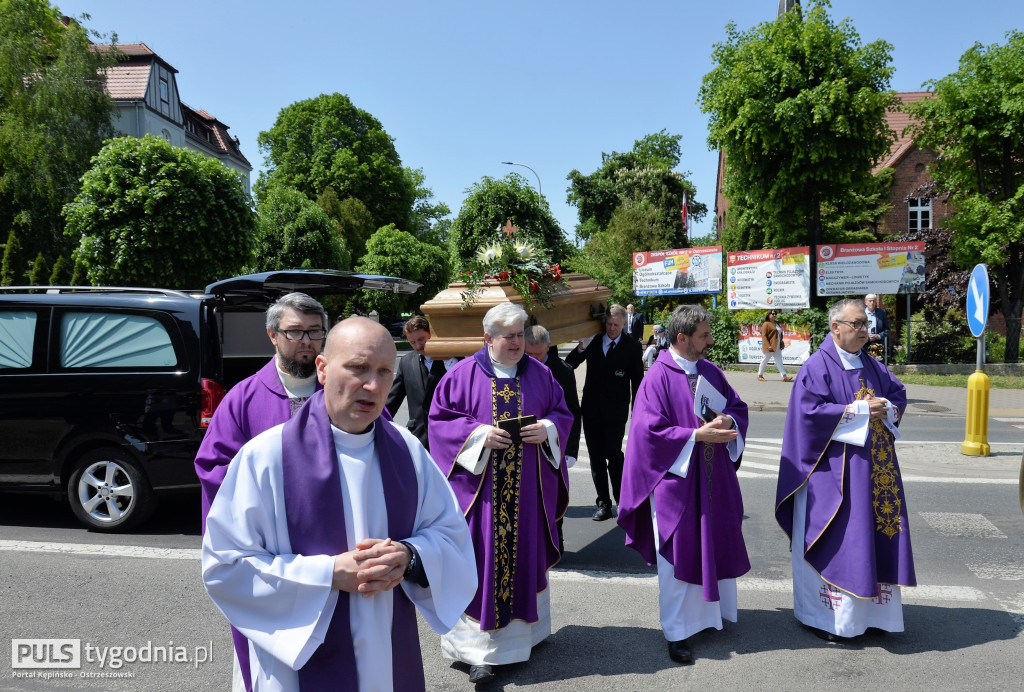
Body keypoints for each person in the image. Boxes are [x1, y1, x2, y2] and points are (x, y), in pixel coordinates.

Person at [202, 317, 477, 692]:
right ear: (323, 369)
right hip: (298, 666)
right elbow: (226, 566)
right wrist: (328, 574)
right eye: (358, 368)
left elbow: (451, 535)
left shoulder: (409, 452)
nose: (373, 385)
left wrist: (410, 558)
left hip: (387, 655)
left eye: (384, 371)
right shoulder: (265, 457)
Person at [428, 303, 573, 686]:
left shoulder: (542, 375)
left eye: (520, 333)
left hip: (526, 498)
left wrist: (548, 429)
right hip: (481, 500)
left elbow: (562, 413)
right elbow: (440, 424)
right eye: (507, 335)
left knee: (523, 558)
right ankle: (478, 653)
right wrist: (476, 435)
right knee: (481, 565)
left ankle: (526, 638)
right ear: (487, 338)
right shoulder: (460, 376)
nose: (516, 342)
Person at [194, 292, 328, 691]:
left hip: (332, 546)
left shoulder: (343, 391)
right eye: (295, 332)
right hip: (270, 553)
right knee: (272, 656)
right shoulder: (243, 398)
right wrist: (272, 498)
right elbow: (212, 467)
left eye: (315, 332)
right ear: (272, 335)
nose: (306, 341)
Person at [775, 298, 915, 642]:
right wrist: (859, 411)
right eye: (857, 324)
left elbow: (897, 393)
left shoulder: (871, 364)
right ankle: (830, 620)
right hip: (829, 476)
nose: (865, 332)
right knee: (841, 539)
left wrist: (888, 407)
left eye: (866, 325)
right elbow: (808, 417)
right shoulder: (816, 367)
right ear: (835, 327)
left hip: (873, 472)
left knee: (871, 537)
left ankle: (876, 616)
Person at [618, 304, 750, 665]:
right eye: (704, 336)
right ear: (682, 338)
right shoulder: (657, 377)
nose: (710, 341)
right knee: (678, 556)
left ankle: (708, 617)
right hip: (676, 485)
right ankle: (676, 632)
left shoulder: (710, 371)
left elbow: (738, 408)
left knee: (713, 543)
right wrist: (695, 436)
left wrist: (728, 419)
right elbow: (647, 434)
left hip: (713, 481)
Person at [565, 303, 644, 521]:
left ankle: (622, 501)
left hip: (616, 411)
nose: (611, 328)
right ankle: (603, 503)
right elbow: (569, 365)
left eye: (616, 325)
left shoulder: (632, 347)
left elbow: (638, 381)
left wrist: (638, 411)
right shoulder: (595, 340)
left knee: (614, 454)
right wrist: (582, 347)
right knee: (596, 457)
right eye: (609, 324)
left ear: (623, 324)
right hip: (591, 409)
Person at [525, 324, 582, 550]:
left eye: (538, 354)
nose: (534, 359)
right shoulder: (521, 368)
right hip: (527, 444)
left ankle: (555, 542)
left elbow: (573, 412)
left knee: (553, 494)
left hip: (554, 443)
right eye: (529, 354)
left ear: (548, 346)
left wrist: (571, 450)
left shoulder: (563, 371)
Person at [385, 315, 457, 450]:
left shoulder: (452, 359)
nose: (418, 346)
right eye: (412, 342)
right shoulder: (406, 362)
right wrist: (375, 424)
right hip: (417, 437)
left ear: (431, 334)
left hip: (448, 436)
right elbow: (393, 399)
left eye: (421, 339)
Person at [757, 310, 793, 382]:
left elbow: (779, 334)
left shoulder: (776, 324)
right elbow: (764, 336)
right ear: (768, 315)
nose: (774, 315)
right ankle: (760, 375)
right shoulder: (766, 324)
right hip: (770, 347)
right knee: (764, 360)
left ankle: (784, 376)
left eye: (775, 314)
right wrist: (768, 345)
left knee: (779, 361)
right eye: (772, 314)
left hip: (777, 346)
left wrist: (781, 342)